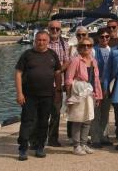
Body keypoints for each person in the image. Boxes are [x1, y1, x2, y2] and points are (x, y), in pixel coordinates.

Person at [15, 31, 62, 161]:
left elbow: (58, 73)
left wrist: (58, 91)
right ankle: (23, 148)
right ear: (35, 40)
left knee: (43, 122)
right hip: (29, 95)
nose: (41, 42)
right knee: (27, 122)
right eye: (38, 40)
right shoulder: (27, 55)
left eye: (43, 40)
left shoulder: (53, 55)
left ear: (47, 41)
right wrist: (19, 93)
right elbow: (18, 73)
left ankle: (40, 147)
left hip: (47, 95)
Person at [65, 38, 103, 156]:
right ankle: (76, 145)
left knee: (87, 120)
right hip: (78, 94)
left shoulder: (93, 61)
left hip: (90, 94)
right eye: (83, 46)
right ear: (79, 47)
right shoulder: (75, 60)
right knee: (77, 120)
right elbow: (68, 79)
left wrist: (98, 95)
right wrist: (69, 95)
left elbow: (96, 80)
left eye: (89, 45)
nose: (86, 48)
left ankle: (84, 143)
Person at [43, 20, 70, 148]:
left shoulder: (65, 44)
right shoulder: (43, 43)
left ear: (60, 30)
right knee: (41, 112)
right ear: (48, 29)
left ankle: (53, 139)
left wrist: (58, 70)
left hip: (59, 83)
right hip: (43, 83)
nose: (54, 31)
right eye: (52, 28)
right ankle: (37, 139)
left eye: (57, 29)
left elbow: (67, 61)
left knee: (56, 113)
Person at [91, 27, 112, 148]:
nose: (104, 39)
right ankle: (95, 138)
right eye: (102, 37)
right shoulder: (94, 51)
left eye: (106, 37)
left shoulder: (112, 50)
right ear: (98, 38)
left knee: (105, 112)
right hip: (96, 85)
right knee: (96, 113)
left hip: (108, 86)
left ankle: (104, 136)